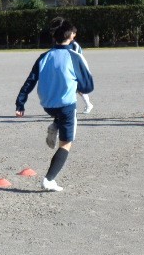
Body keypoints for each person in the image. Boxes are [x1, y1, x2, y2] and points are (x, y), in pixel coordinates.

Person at [15, 17, 94, 192]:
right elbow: (88, 86)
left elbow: (30, 81)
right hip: (66, 106)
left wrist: (20, 103)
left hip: (48, 105)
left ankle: (56, 123)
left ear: (54, 37)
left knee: (59, 114)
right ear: (71, 36)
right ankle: (49, 179)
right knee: (66, 143)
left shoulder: (44, 56)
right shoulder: (75, 56)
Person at [67, 30, 94, 114]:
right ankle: (73, 108)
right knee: (72, 88)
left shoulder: (74, 45)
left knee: (78, 88)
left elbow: (77, 57)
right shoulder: (66, 44)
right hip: (70, 68)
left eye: (71, 33)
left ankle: (88, 104)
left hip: (76, 68)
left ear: (74, 34)